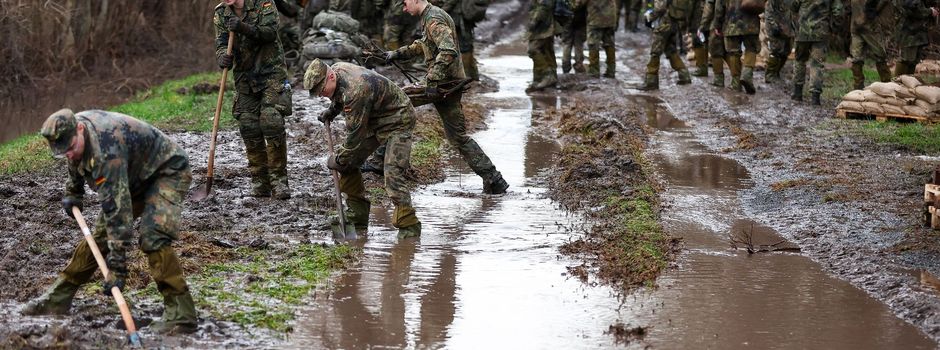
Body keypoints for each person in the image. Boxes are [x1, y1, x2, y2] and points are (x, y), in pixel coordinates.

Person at [22, 109, 198, 335]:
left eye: (70, 147)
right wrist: (73, 191)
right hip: (133, 174)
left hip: (166, 172)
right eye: (62, 151)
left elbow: (118, 215)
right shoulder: (74, 137)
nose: (68, 154)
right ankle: (58, 297)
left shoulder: (107, 151)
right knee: (100, 237)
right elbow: (75, 159)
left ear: (80, 129)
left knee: (154, 237)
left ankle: (181, 315)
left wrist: (117, 269)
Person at [386, 0, 510, 194]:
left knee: (394, 104)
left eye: (404, 3)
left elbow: (448, 50)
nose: (403, 8)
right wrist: (397, 54)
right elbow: (423, 45)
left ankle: (379, 162)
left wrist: (432, 79)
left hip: (444, 86)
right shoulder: (430, 16)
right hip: (448, 84)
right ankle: (494, 179)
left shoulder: (433, 18)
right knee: (458, 137)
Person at [304, 59, 423, 238]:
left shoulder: (356, 91)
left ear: (330, 76)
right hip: (374, 119)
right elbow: (338, 95)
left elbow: (354, 137)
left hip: (398, 119)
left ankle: (409, 228)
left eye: (322, 90)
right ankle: (358, 217)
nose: (321, 95)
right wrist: (332, 111)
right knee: (348, 164)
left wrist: (337, 159)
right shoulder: (337, 72)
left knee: (392, 172)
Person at [214, 0, 293, 199]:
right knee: (248, 125)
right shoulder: (221, 13)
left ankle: (279, 180)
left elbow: (270, 32)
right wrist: (223, 57)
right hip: (245, 77)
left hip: (271, 73)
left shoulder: (264, 3)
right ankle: (260, 180)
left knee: (271, 120)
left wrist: (243, 27)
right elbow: (222, 43)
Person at [792, 0, 844, 104]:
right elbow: (838, 11)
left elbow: (793, 6)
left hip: (803, 32)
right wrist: (834, 27)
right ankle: (815, 98)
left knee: (800, 60)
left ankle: (797, 94)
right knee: (817, 64)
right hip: (821, 32)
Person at [639, 0, 694, 90]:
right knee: (671, 50)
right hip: (673, 22)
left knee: (655, 52)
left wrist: (650, 16)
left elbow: (660, 7)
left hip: (663, 23)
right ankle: (684, 75)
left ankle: (651, 81)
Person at [714, 0, 761, 94]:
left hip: (731, 23)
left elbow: (719, 7)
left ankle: (735, 83)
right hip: (751, 22)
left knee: (733, 52)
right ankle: (747, 75)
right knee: (751, 48)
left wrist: (717, 25)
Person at [894, 0, 939, 76]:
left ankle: (906, 82)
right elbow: (914, 9)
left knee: (914, 60)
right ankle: (896, 83)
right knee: (906, 59)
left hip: (919, 33)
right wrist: (930, 11)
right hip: (909, 32)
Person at [528, 0, 562, 91]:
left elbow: (544, 7)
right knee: (546, 50)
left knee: (533, 49)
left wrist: (534, 21)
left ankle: (547, 75)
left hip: (543, 26)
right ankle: (540, 79)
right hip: (545, 25)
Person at [584, 0, 618, 78]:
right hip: (610, 17)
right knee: (609, 44)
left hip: (595, 17)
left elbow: (579, 3)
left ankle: (594, 71)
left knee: (593, 44)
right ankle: (611, 70)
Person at [763, 0, 794, 83]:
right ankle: (769, 75)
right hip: (776, 28)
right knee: (775, 51)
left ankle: (776, 73)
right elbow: (768, 12)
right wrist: (774, 26)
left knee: (786, 52)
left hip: (787, 28)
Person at [700, 0, 728, 87]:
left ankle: (718, 79)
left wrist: (702, 26)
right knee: (732, 52)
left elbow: (709, 9)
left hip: (718, 23)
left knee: (716, 51)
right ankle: (738, 78)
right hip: (733, 21)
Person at [562, 1, 588, 74]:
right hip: (580, 20)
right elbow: (578, 5)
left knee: (567, 44)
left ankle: (565, 67)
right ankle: (578, 66)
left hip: (566, 19)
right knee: (578, 44)